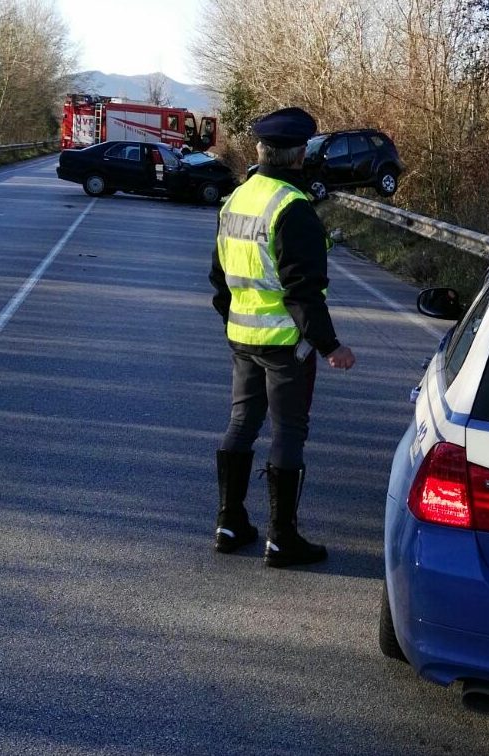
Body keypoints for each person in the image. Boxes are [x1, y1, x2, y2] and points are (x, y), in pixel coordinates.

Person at [209, 106, 356, 568]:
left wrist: (235, 321)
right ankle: (282, 538)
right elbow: (303, 291)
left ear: (260, 151)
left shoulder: (237, 199)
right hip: (286, 345)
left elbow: (219, 278)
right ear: (300, 155)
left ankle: (229, 523)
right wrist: (330, 346)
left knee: (241, 424)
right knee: (289, 432)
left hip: (242, 336)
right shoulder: (292, 208)